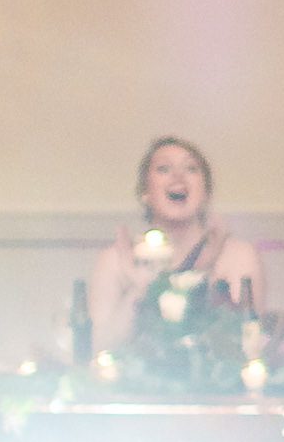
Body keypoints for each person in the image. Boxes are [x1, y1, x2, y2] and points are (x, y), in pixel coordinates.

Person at [81, 137, 267, 355]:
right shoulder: (116, 260)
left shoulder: (237, 255)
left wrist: (202, 271)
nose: (178, 176)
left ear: (206, 192)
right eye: (163, 168)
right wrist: (142, 288)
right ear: (145, 193)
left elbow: (244, 346)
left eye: (190, 168)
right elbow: (97, 347)